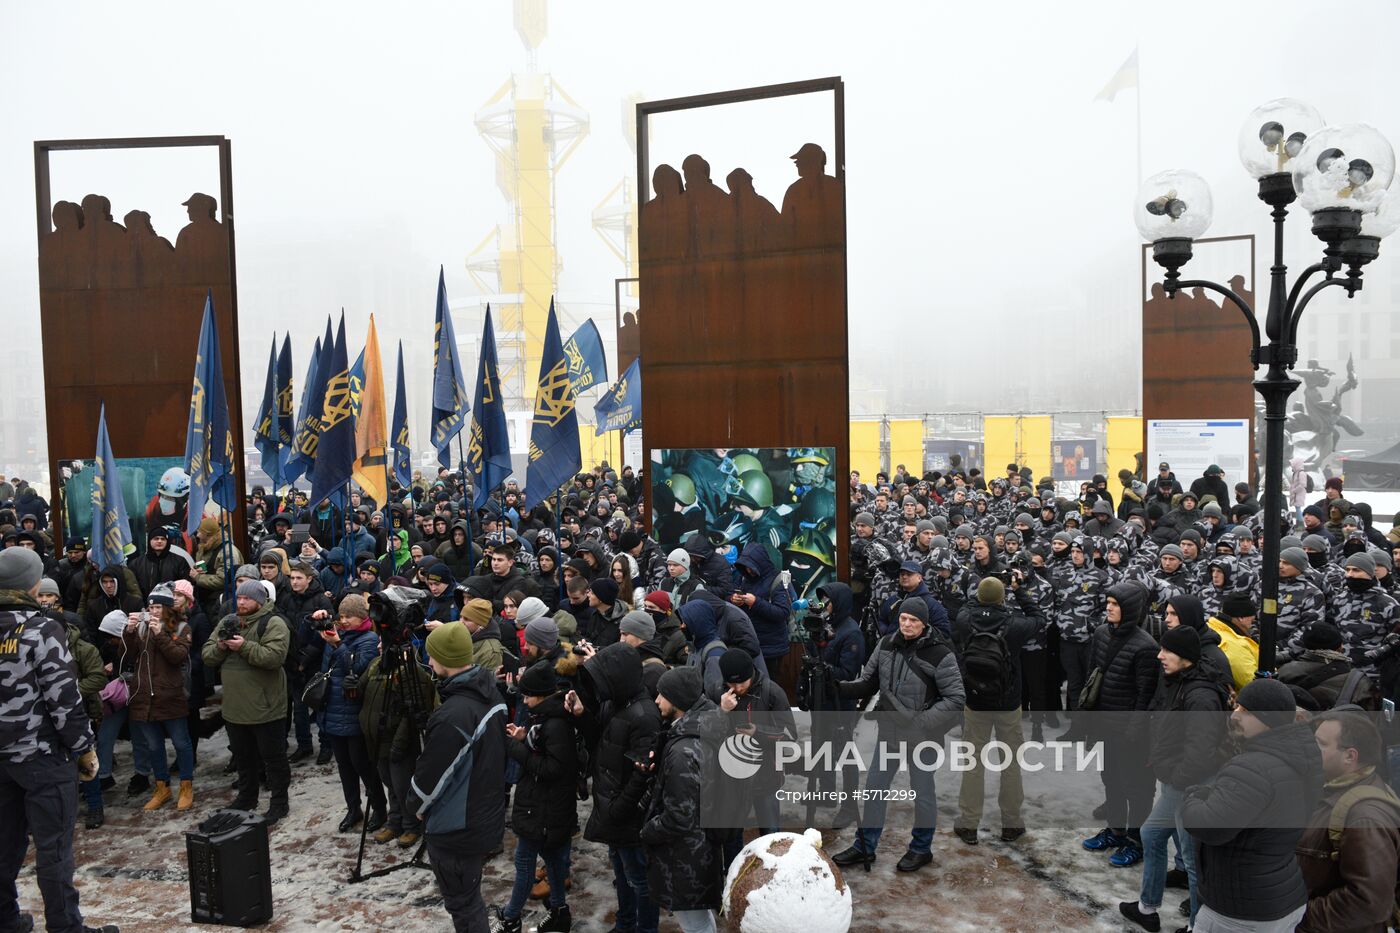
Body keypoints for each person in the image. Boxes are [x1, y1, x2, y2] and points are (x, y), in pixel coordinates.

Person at [0, 547, 119, 933]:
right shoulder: (41, 628)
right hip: (43, 758)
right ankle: (66, 927)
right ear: (32, 583)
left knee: (4, 845)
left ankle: (4, 918)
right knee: (53, 850)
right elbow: (63, 699)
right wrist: (84, 748)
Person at [832, 597, 966, 872]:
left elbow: (955, 698)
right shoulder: (885, 645)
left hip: (923, 738)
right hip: (890, 732)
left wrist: (922, 722)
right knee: (875, 789)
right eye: (904, 618)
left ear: (924, 624)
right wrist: (837, 687)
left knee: (923, 793)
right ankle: (864, 845)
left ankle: (921, 848)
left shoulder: (940, 653)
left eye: (913, 620)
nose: (906, 624)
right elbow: (868, 682)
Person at [1181, 678, 1324, 933]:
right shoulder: (1303, 754)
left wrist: (1193, 796)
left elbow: (1208, 826)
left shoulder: (1254, 766)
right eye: (1237, 706)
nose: (1235, 715)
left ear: (1267, 719)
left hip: (1241, 911)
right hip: (1280, 897)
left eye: (1246, 712)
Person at [1119, 625, 1229, 933]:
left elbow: (1201, 753)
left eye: (1167, 651)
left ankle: (1197, 926)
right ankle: (1147, 908)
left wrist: (1177, 777)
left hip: (1191, 786)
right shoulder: (1179, 681)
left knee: (1193, 861)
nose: (1159, 655)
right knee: (1152, 836)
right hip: (1176, 783)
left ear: (1185, 657)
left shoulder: (1201, 696)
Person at [411, 623, 507, 933]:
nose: (428, 660)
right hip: (482, 812)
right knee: (468, 898)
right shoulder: (489, 692)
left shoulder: (455, 713)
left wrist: (416, 806)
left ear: (444, 658)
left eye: (431, 654)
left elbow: (433, 777)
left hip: (457, 824)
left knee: (463, 904)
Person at [569, 642, 662, 933]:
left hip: (628, 816)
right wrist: (583, 715)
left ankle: (644, 929)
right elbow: (601, 739)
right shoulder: (615, 703)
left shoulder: (644, 715)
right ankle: (625, 924)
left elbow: (643, 774)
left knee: (640, 881)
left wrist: (618, 809)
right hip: (613, 809)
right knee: (622, 875)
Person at [491, 660, 577, 933]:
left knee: (525, 863)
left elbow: (553, 768)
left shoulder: (555, 724)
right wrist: (523, 736)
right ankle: (559, 913)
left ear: (540, 695)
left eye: (527, 695)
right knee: (553, 861)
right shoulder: (547, 718)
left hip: (542, 809)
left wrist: (515, 750)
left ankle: (510, 918)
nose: (524, 701)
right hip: (546, 808)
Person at [951, 575, 1038, 845]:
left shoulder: (966, 620)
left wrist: (980, 596)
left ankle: (968, 823)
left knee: (973, 762)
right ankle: (1012, 823)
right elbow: (1038, 618)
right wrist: (1019, 590)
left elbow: (964, 606)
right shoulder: (1014, 624)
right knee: (1011, 763)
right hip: (1008, 702)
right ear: (1003, 598)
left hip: (975, 700)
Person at [1296, 711, 1400, 932]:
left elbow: (1370, 902)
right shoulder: (1331, 788)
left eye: (1320, 744)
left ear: (1350, 756)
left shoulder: (1366, 817)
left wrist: (1297, 916)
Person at [1081, 582, 1159, 868]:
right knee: (1111, 780)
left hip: (1131, 733)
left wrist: (1134, 734)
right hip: (1105, 726)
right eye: (1108, 602)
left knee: (1137, 788)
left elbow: (1145, 696)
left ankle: (1137, 841)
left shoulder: (1146, 647)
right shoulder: (1101, 633)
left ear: (1130, 610)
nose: (1109, 608)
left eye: (1115, 604)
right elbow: (1093, 676)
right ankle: (1115, 830)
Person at [641, 667, 724, 933]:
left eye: (662, 695)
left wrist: (648, 830)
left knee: (695, 924)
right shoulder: (703, 728)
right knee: (701, 917)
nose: (656, 701)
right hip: (702, 847)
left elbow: (679, 816)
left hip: (686, 855)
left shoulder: (684, 750)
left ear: (676, 700)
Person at [202, 579, 292, 824]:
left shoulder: (273, 623)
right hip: (234, 708)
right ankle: (247, 797)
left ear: (259, 601)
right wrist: (221, 646)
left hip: (266, 707)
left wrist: (244, 647)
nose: (241, 602)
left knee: (273, 759)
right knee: (243, 758)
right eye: (239, 598)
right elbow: (207, 656)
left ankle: (279, 802)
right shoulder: (228, 621)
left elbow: (274, 657)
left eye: (247, 599)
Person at [123, 584, 195, 813]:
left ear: (168, 609)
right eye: (150, 607)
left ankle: (186, 786)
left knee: (181, 743)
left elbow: (178, 656)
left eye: (158, 607)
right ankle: (162, 787)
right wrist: (130, 632)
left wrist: (160, 634)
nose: (154, 612)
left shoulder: (181, 627)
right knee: (153, 746)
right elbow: (127, 656)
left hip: (170, 695)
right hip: (144, 696)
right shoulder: (143, 628)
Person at [318, 593, 386, 833]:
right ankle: (353, 807)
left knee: (362, 764)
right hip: (335, 709)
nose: (343, 621)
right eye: (341, 616)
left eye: (349, 617)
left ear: (362, 617)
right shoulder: (337, 633)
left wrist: (338, 644)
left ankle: (379, 807)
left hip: (355, 711)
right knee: (344, 765)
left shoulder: (368, 639)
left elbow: (358, 668)